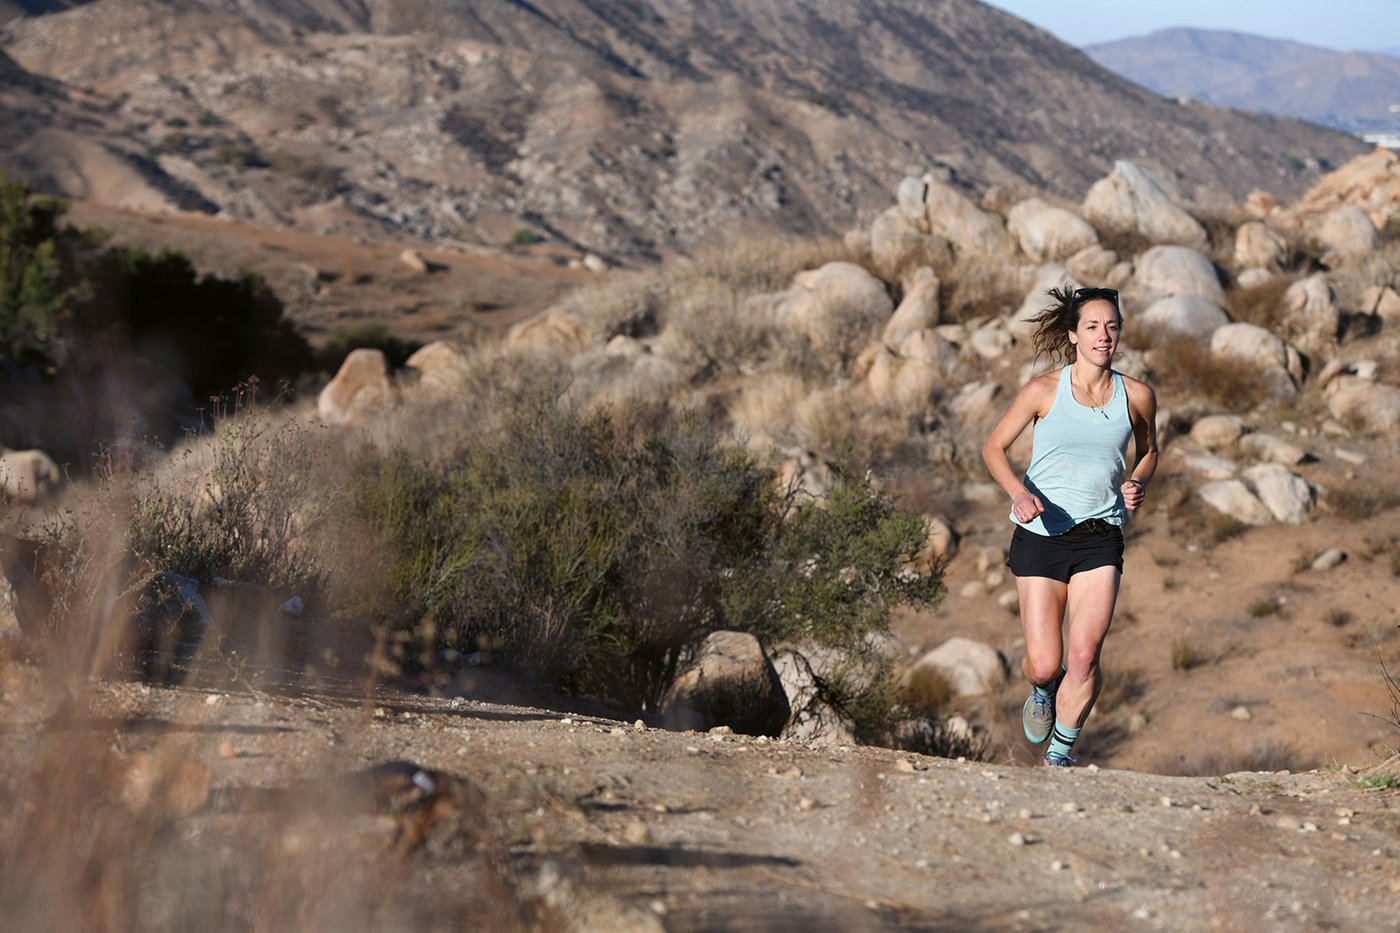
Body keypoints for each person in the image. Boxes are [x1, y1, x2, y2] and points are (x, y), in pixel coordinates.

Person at [981, 285, 1158, 767]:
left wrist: (1137, 481)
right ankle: (1042, 690)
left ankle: (1058, 756)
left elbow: (1149, 452)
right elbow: (993, 448)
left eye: (1112, 326)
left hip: (1100, 537)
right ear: (1073, 335)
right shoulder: (1043, 390)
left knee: (1084, 656)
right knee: (1045, 664)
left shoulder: (1137, 395)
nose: (1104, 336)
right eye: (1093, 327)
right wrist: (1018, 494)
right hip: (1041, 536)